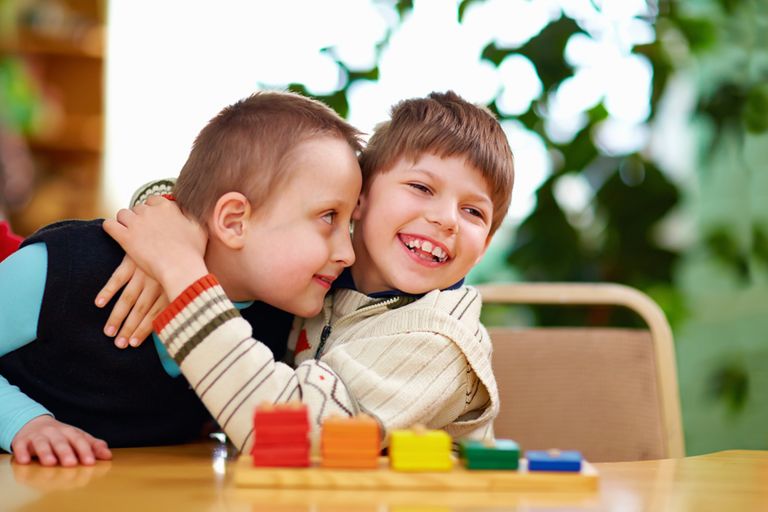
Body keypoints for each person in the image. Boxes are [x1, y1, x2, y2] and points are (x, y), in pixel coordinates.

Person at [104, 91, 514, 452]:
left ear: (485, 248)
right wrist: (167, 223)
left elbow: (286, 433)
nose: (447, 220)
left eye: (473, 212)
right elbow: (241, 200)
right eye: (422, 188)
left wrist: (178, 265)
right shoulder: (321, 274)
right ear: (359, 196)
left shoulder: (441, 343)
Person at [0, 90, 364, 466]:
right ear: (234, 221)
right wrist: (24, 423)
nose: (347, 252)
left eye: (350, 224)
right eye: (328, 217)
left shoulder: (277, 323)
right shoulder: (64, 267)